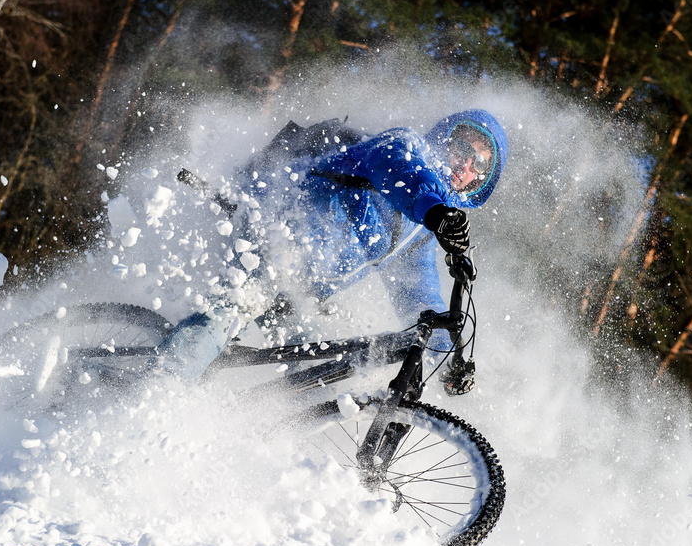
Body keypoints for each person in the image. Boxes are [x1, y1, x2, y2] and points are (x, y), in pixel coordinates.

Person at [150, 109, 508, 395]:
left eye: (479, 164)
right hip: (273, 235)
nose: (465, 166)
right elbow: (400, 173)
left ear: (482, 181)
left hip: (302, 287)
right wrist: (435, 211)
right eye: (462, 150)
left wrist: (447, 359)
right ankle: (154, 393)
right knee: (233, 310)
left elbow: (417, 294)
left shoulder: (420, 236)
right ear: (444, 141)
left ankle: (262, 439)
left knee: (304, 375)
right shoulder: (405, 146)